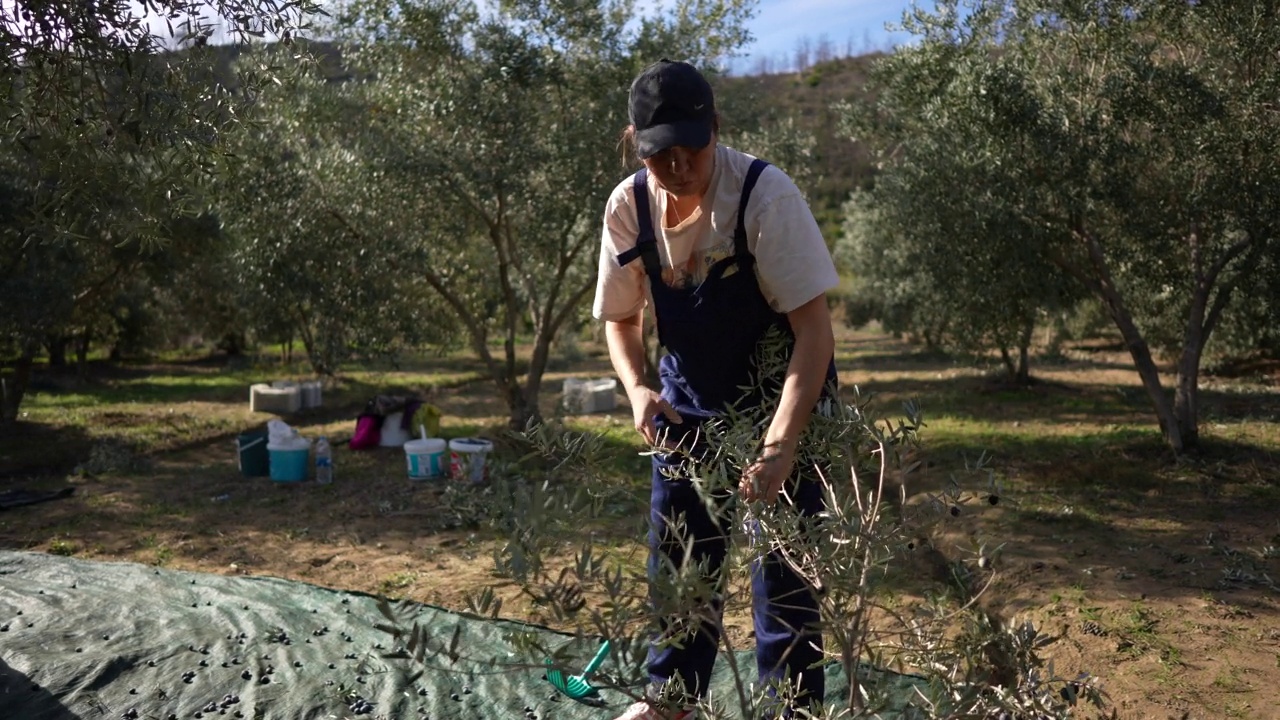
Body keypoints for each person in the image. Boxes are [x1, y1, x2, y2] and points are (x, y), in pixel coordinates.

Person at [592, 59, 840, 720]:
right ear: (634, 142)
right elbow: (621, 318)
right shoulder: (628, 206)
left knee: (782, 583)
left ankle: (792, 711)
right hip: (686, 404)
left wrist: (781, 447)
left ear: (716, 128)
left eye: (691, 149)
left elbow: (814, 334)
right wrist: (639, 389)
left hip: (781, 401)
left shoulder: (763, 193)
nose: (677, 167)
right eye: (658, 154)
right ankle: (671, 702)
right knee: (679, 569)